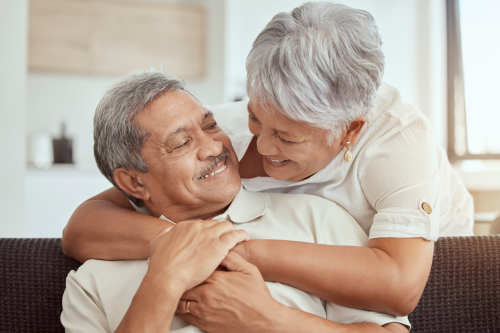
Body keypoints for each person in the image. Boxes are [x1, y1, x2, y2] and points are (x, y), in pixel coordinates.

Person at [62, 1, 473, 326]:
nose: (260, 144)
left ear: (349, 132)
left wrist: (220, 248)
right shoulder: (221, 132)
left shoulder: (396, 142)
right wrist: (176, 251)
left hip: (432, 255)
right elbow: (87, 224)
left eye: (288, 137)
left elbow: (398, 286)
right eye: (256, 117)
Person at [61, 71, 409, 333]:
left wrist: (270, 320)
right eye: (181, 143)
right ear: (134, 182)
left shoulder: (318, 219)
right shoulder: (92, 282)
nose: (214, 148)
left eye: (211, 126)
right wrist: (164, 281)